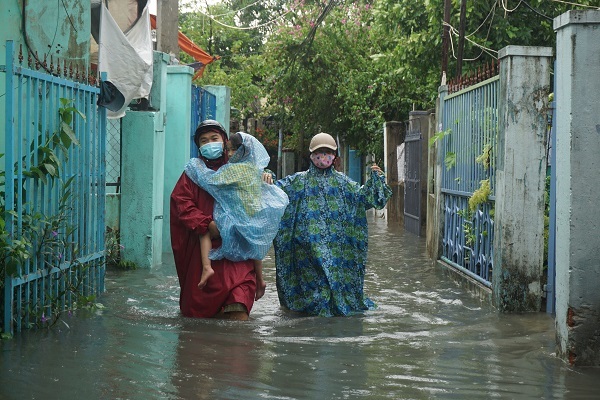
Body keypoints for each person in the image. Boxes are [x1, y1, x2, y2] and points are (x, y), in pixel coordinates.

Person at [269, 132, 392, 317]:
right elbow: (274, 191)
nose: (323, 156)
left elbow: (366, 199)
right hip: (305, 251)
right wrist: (267, 176)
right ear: (311, 155)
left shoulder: (344, 184)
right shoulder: (297, 182)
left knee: (330, 291)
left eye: (328, 152)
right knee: (314, 296)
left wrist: (378, 181)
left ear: (334, 155)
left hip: (335, 252)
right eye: (319, 152)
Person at [170, 120, 259, 320]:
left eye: (214, 138)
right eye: (203, 140)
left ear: (224, 141)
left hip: (237, 253)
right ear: (199, 147)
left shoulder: (238, 169)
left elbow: (256, 186)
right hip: (205, 251)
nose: (209, 143)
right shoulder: (191, 174)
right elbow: (181, 203)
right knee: (197, 316)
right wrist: (206, 224)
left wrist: (267, 176)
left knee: (238, 307)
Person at [184, 131, 288, 301]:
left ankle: (206, 267)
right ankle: (260, 280)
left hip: (233, 217)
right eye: (228, 150)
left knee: (204, 230)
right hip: (252, 217)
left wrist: (195, 166)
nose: (230, 154)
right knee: (256, 249)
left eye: (233, 150)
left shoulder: (233, 170)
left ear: (244, 151)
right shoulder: (255, 168)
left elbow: (210, 180)